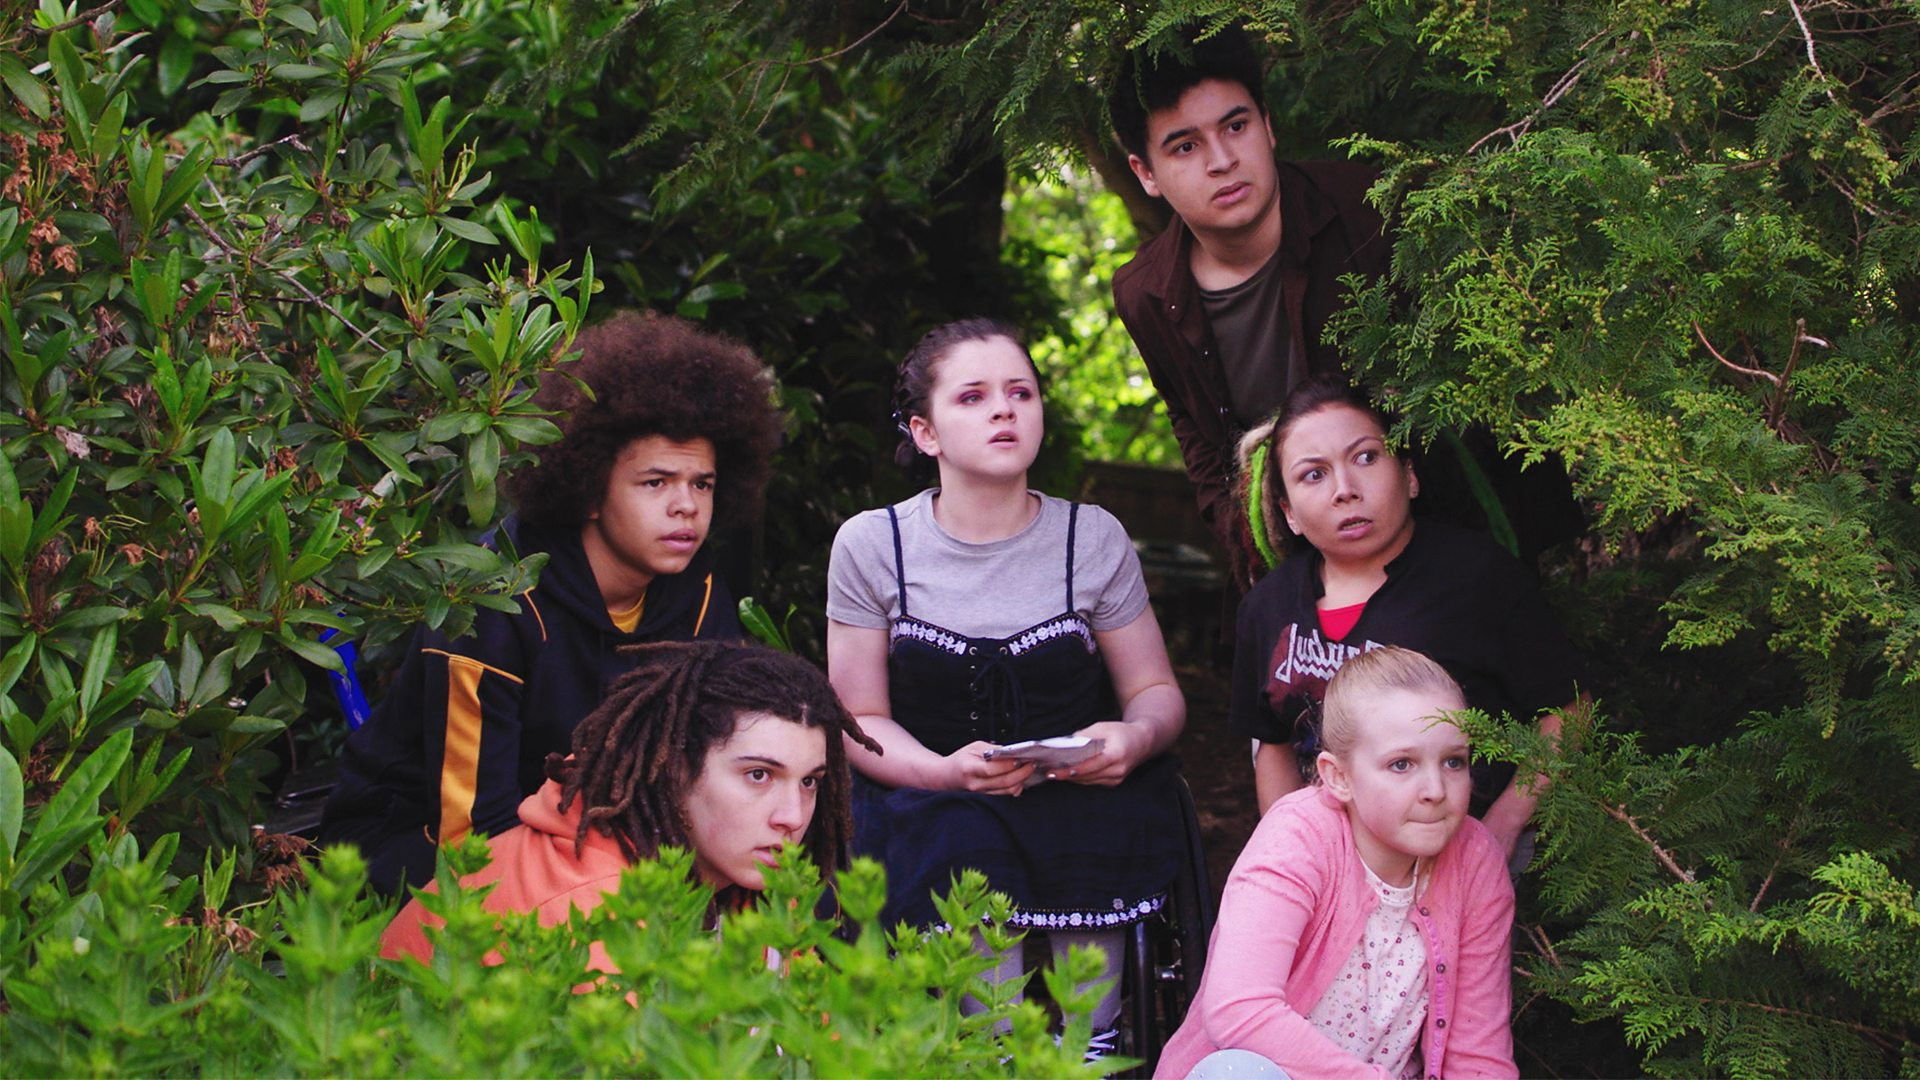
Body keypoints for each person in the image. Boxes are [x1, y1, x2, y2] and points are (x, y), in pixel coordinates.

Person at [321, 310, 782, 894]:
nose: (686, 506)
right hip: (422, 844)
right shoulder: (493, 602)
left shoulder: (700, 594)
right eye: (656, 482)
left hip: (597, 840)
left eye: (702, 484)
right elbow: (471, 835)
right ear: (590, 492)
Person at [825, 318, 1188, 1051]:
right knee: (961, 834)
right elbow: (858, 718)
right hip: (928, 790)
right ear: (925, 433)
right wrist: (941, 772)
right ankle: (989, 1047)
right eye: (974, 397)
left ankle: (1093, 1043)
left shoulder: (1092, 538)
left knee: (1107, 820)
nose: (1004, 410)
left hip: (1078, 789)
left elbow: (1156, 691)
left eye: (1021, 392)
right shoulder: (873, 545)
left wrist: (1135, 736)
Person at [1231, 376, 1582, 857]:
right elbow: (1272, 745)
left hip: (1464, 855)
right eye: (1314, 474)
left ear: (1409, 475)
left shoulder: (1478, 577)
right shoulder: (1266, 606)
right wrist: (1292, 856)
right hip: (1330, 868)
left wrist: (1502, 829)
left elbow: (1567, 711)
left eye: (1366, 457)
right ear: (1288, 512)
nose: (1345, 490)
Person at [381, 641, 880, 968]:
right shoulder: (593, 913)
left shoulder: (745, 876)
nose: (792, 816)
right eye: (758, 775)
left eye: (810, 782)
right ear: (674, 768)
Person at [1108, 26, 1391, 580]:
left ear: (1267, 124)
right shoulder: (1146, 293)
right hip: (1286, 567)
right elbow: (1197, 434)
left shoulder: (1367, 211)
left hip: (1434, 544)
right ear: (1146, 173)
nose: (1222, 161)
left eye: (1235, 127)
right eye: (1185, 146)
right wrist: (1250, 543)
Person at [1157, 646, 1518, 1080]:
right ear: (1338, 776)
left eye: (1453, 761)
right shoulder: (1298, 837)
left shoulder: (1475, 859)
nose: (1436, 790)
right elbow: (1241, 1009)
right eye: (1401, 764)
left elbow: (1479, 1056)